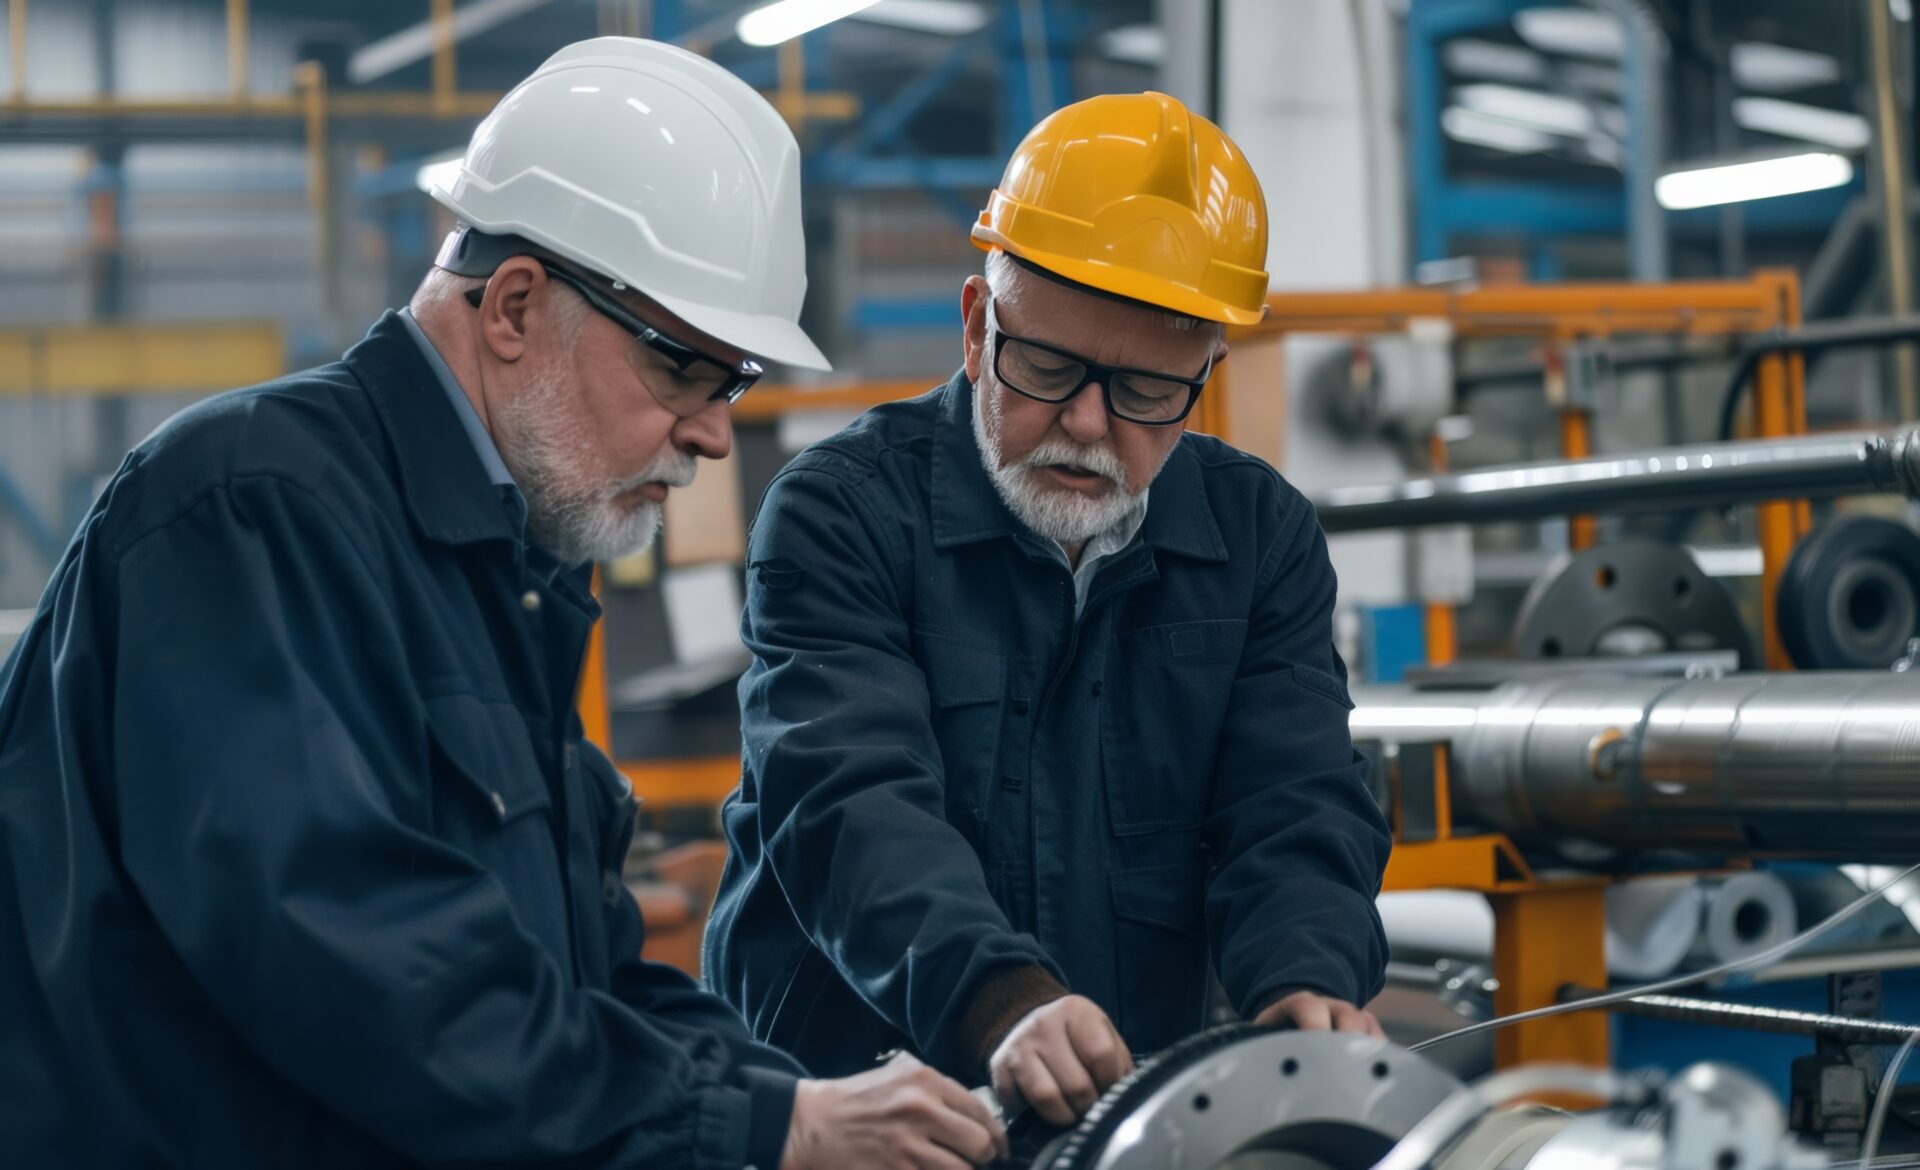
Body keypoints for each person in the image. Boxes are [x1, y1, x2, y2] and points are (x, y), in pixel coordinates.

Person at [0, 37, 1004, 1170]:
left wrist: (816, 1114)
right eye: (684, 370)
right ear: (516, 306)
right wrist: (766, 1128)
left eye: (735, 385)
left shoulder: (502, 571)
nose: (715, 433)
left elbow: (594, 980)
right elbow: (359, 961)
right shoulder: (252, 509)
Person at [706, 90, 1393, 1127]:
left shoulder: (1257, 537)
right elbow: (849, 802)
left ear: (1204, 376)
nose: (1085, 423)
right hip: (858, 1098)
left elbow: (1291, 796)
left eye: (1145, 391)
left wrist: (1302, 972)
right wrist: (996, 996)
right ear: (980, 327)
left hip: (1120, 1107)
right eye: (1049, 367)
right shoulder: (842, 513)